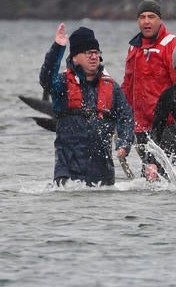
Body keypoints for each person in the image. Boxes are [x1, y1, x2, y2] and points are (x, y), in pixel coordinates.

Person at [39, 23, 133, 186]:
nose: (94, 56)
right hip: (67, 173)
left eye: (96, 52)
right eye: (88, 52)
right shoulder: (62, 84)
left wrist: (124, 143)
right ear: (75, 57)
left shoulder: (112, 88)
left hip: (103, 175)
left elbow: (126, 117)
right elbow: (46, 80)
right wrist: (57, 48)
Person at [122, 0, 176, 173]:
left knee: (158, 173)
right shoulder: (134, 47)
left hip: (167, 125)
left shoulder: (170, 44)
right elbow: (127, 85)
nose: (146, 21)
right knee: (149, 177)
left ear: (160, 20)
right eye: (142, 17)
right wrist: (122, 116)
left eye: (151, 17)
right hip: (140, 125)